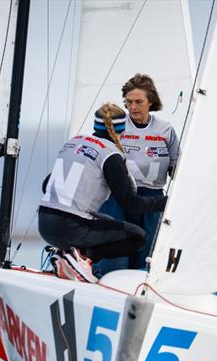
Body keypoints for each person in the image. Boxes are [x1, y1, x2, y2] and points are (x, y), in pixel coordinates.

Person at [38, 103, 167, 283]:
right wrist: (167, 202)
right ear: (122, 130)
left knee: (108, 222)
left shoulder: (73, 142)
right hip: (70, 229)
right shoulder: (110, 154)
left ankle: (67, 256)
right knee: (137, 236)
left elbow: (46, 185)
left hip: (44, 225)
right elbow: (131, 203)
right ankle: (84, 256)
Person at [96, 73, 180, 275]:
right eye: (129, 102)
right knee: (115, 254)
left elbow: (176, 166)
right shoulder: (118, 126)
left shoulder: (165, 130)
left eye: (138, 102)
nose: (133, 107)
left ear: (150, 101)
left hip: (151, 197)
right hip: (119, 196)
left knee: (146, 255)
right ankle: (106, 282)